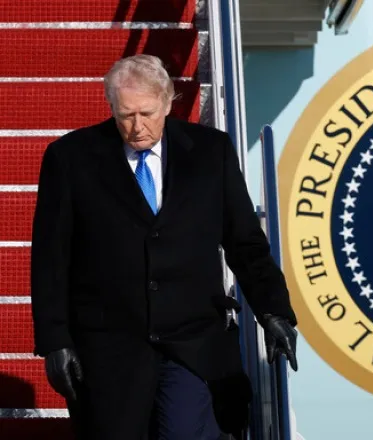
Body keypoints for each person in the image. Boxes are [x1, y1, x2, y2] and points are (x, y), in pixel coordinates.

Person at [29, 54, 298, 440]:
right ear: (111, 107)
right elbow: (51, 259)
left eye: (147, 113)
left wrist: (273, 310)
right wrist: (55, 339)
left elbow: (245, 241)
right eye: (126, 115)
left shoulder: (211, 152)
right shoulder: (70, 158)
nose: (137, 126)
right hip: (108, 348)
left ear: (168, 102)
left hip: (193, 341)